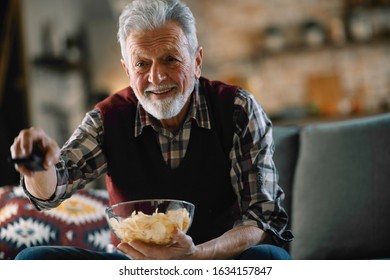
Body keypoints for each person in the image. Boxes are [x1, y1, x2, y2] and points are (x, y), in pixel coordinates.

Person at [10, 0, 292, 260]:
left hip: (217, 262)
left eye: (170, 59)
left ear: (196, 61)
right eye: (142, 64)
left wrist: (195, 256)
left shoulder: (237, 108)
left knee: (272, 259)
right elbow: (54, 188)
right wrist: (38, 166)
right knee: (32, 261)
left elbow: (262, 218)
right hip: (135, 266)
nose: (156, 77)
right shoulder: (108, 117)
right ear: (127, 71)